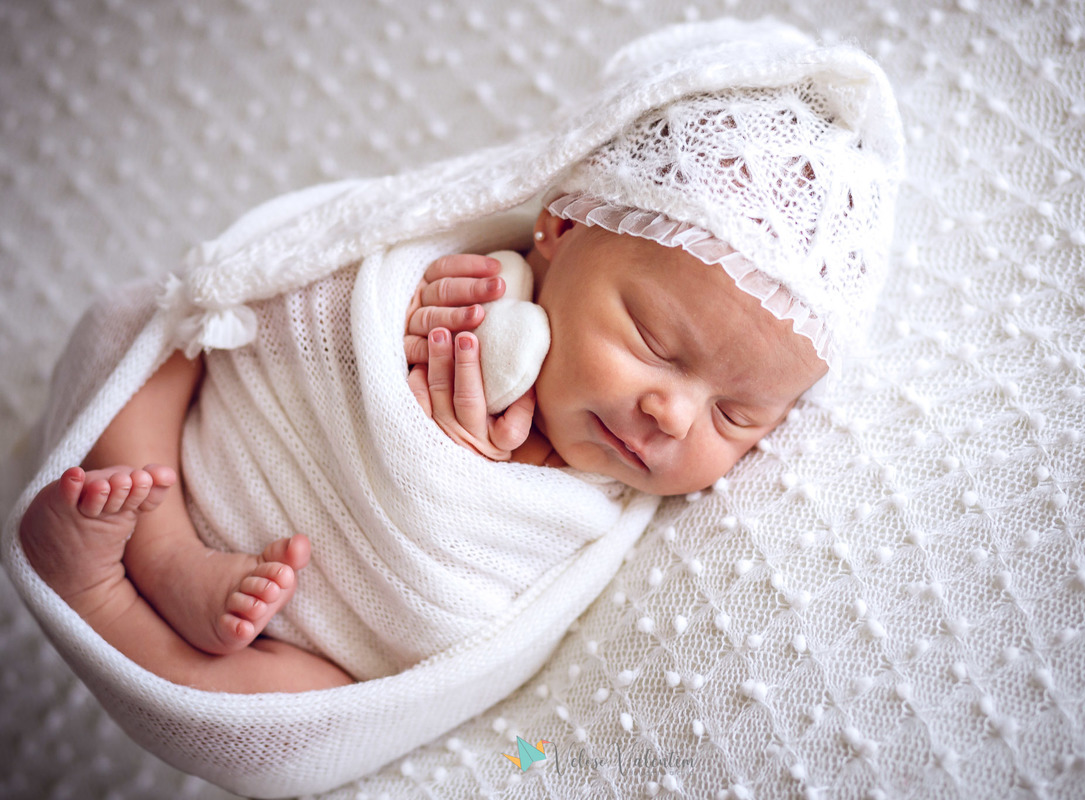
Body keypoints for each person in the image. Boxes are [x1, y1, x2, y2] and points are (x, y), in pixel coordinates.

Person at [15, 22, 903, 698]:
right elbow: (298, 289)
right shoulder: (468, 280)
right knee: (156, 326)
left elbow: (487, 645)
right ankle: (161, 549)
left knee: (310, 716)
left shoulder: (609, 497)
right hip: (215, 446)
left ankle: (106, 607)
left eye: (734, 416)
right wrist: (398, 315)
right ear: (559, 226)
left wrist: (476, 475)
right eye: (654, 343)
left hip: (314, 626)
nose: (672, 413)